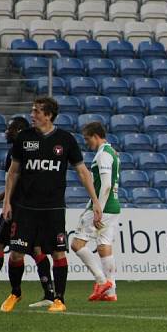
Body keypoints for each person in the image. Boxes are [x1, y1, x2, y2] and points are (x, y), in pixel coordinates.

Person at [0, 96, 102, 313]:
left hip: (53, 208)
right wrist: (7, 202)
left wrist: (95, 201)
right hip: (25, 207)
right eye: (32, 110)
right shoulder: (24, 138)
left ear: (48, 115)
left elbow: (83, 172)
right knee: (16, 254)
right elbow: (13, 172)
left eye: (36, 111)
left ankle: (59, 299)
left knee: (58, 253)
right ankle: (15, 293)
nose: (32, 115)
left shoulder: (65, 140)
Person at [0, 117, 55, 308]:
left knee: (0, 246)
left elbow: (16, 183)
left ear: (20, 130)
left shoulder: (18, 150)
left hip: (16, 208)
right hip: (30, 207)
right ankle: (49, 292)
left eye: (11, 128)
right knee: (33, 248)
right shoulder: (30, 149)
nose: (7, 131)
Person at [71, 121, 120, 302]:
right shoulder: (112, 152)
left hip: (102, 206)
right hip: (113, 206)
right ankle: (111, 292)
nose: (86, 142)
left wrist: (98, 207)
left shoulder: (103, 155)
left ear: (96, 136)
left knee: (77, 244)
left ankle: (102, 281)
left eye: (87, 138)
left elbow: (106, 184)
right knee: (103, 246)